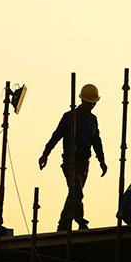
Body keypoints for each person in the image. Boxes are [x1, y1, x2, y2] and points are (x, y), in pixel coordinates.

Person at [39, 83, 108, 232]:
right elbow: (56, 136)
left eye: (93, 103)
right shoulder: (70, 117)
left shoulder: (93, 120)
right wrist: (45, 154)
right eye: (89, 103)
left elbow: (96, 141)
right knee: (77, 192)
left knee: (74, 195)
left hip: (84, 163)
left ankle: (63, 224)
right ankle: (80, 221)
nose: (91, 106)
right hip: (70, 161)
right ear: (82, 101)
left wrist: (101, 160)